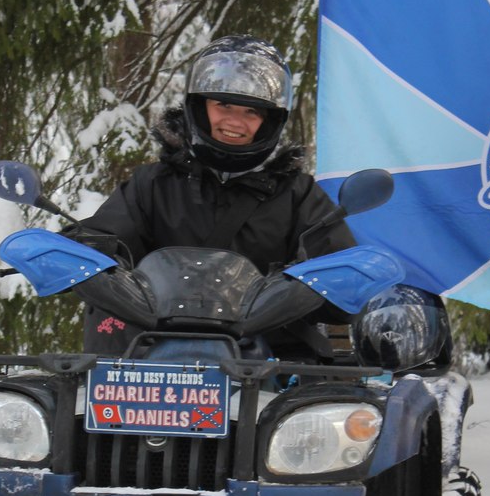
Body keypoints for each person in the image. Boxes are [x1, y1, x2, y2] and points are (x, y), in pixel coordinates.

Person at [80, 34, 356, 353]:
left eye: (251, 111)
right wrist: (78, 248)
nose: (234, 121)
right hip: (147, 365)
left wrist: (338, 277)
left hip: (264, 368)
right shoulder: (153, 184)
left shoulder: (298, 195)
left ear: (270, 120)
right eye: (223, 104)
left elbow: (338, 267)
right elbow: (106, 238)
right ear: (199, 107)